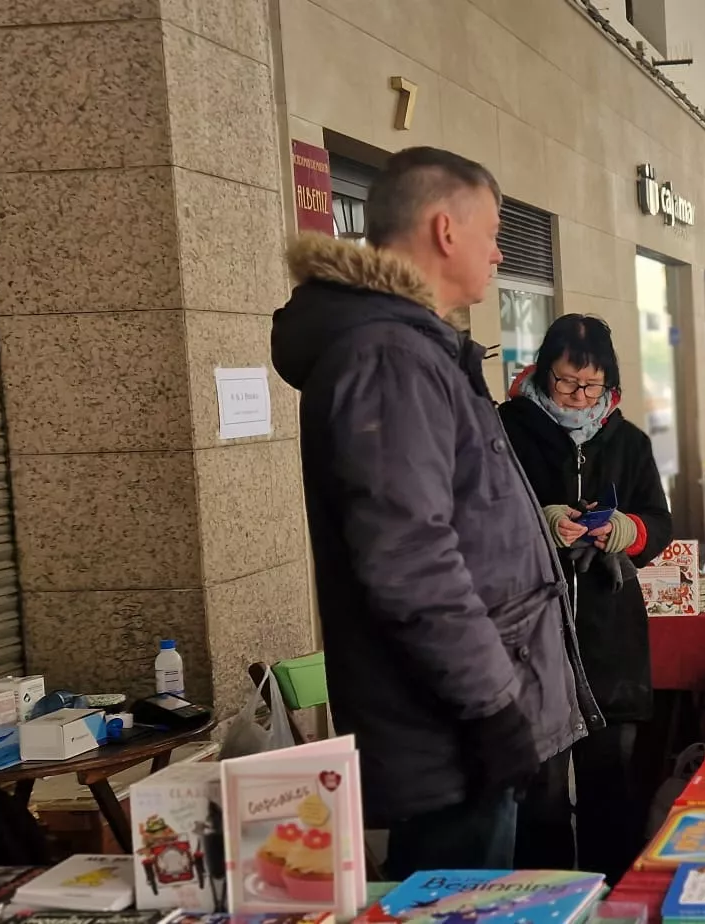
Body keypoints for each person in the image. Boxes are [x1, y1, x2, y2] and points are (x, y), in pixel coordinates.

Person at [269, 146, 594, 877]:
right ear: (446, 230)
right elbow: (410, 557)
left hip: (471, 717)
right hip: (448, 733)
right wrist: (492, 708)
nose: (500, 252)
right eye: (493, 231)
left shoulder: (417, 347)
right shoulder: (388, 355)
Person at [499, 315, 673, 879]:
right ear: (542, 372)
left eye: (590, 386)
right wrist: (539, 521)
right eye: (566, 382)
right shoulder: (504, 431)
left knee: (612, 780)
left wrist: (626, 530)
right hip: (530, 634)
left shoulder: (628, 440)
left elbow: (658, 522)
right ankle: (544, 903)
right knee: (540, 789)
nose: (577, 397)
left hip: (608, 630)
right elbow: (480, 515)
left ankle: (614, 898)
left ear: (609, 384)